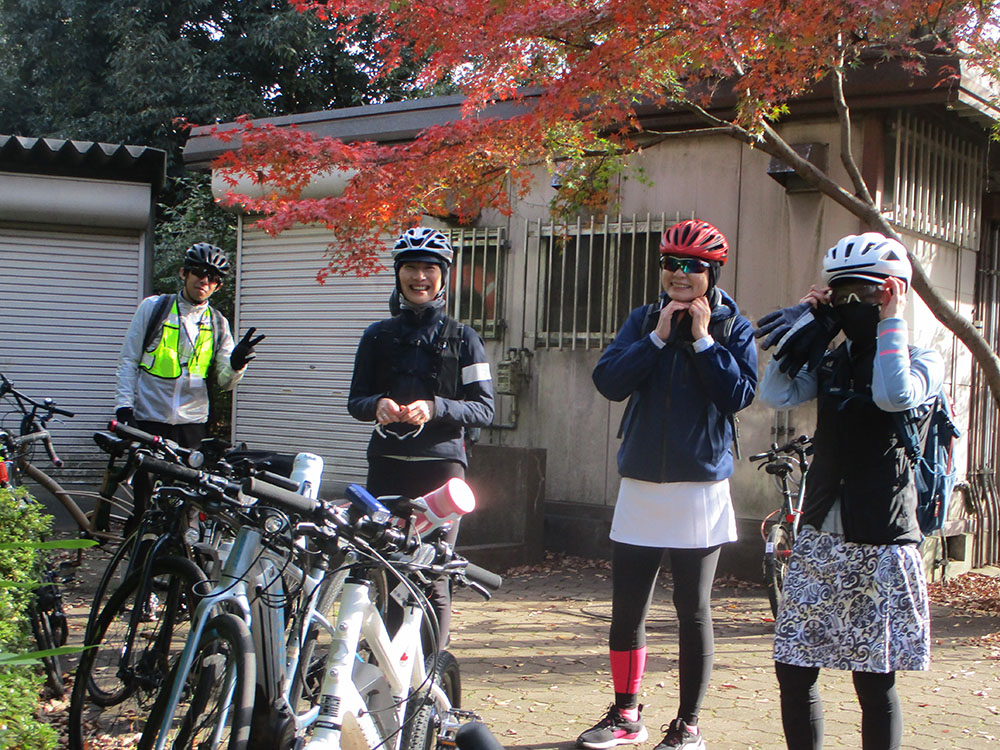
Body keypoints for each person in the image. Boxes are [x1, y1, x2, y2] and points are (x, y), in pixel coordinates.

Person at [756, 232, 942, 750]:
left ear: (894, 291)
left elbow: (892, 394)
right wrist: (806, 325)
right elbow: (773, 393)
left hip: (881, 538)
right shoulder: (833, 360)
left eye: (863, 294)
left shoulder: (924, 360)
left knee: (873, 679)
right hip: (820, 533)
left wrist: (890, 324)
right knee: (793, 668)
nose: (850, 306)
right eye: (840, 295)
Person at [582, 219, 758, 750]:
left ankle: (688, 725)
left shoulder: (733, 326)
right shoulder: (642, 320)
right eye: (671, 264)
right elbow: (609, 381)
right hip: (641, 480)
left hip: (700, 485)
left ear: (713, 272)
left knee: (692, 608)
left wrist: (703, 342)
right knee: (627, 606)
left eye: (693, 267)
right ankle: (625, 714)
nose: (680, 275)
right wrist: (658, 337)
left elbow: (740, 395)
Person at [348, 226, 495, 648]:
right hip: (387, 467)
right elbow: (354, 401)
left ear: (443, 276)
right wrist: (376, 404)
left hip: (443, 470)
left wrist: (435, 408)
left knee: (434, 575)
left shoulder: (465, 339)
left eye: (429, 268)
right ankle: (386, 669)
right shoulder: (376, 336)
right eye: (410, 267)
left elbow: (484, 408)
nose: (419, 278)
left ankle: (430, 676)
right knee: (384, 568)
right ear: (398, 274)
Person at [115, 242, 264, 525]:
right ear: (184, 273)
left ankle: (180, 562)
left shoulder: (218, 323)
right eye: (199, 272)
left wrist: (237, 364)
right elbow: (128, 361)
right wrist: (124, 408)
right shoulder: (154, 308)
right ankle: (139, 558)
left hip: (191, 424)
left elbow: (224, 382)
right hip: (150, 418)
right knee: (144, 503)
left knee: (188, 504)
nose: (204, 281)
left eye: (213, 278)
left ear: (218, 287)